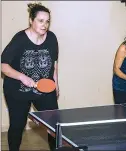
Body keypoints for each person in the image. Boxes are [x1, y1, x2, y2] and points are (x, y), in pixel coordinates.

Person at [1, 3, 59, 151]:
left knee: (55, 125)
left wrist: (56, 84)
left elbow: (54, 63)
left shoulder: (52, 38)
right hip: (17, 90)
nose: (44, 24)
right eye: (40, 20)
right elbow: (3, 66)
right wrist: (22, 77)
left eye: (47, 21)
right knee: (17, 125)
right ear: (31, 20)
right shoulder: (20, 39)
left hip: (44, 89)